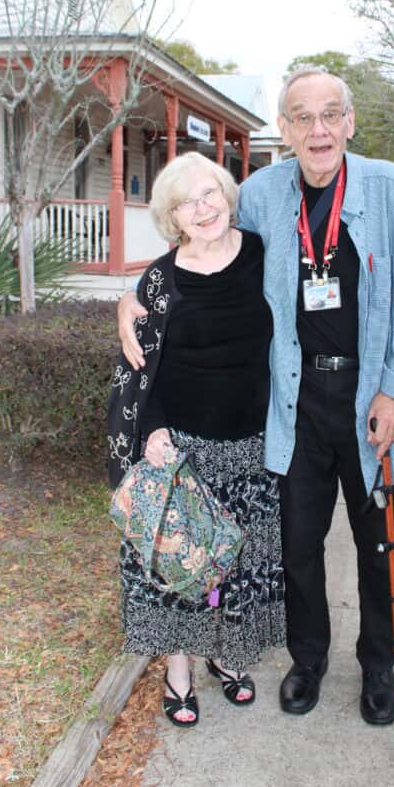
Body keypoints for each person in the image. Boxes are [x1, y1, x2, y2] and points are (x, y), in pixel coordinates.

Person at [118, 66, 394, 726]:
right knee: (297, 547)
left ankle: (378, 663)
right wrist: (131, 297)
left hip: (370, 396)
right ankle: (308, 658)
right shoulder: (262, 194)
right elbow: (201, 254)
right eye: (301, 117)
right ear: (283, 129)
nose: (317, 130)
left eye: (330, 115)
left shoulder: (391, 192)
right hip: (293, 401)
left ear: (348, 121)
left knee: (380, 541)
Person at [108, 152, 285, 728]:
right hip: (182, 447)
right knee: (181, 560)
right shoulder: (159, 278)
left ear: (228, 195)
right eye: (188, 202)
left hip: (254, 442)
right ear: (173, 217)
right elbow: (142, 363)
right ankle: (178, 668)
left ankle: (228, 656)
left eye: (210, 193)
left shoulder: (263, 254)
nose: (203, 208)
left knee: (240, 560)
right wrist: (153, 430)